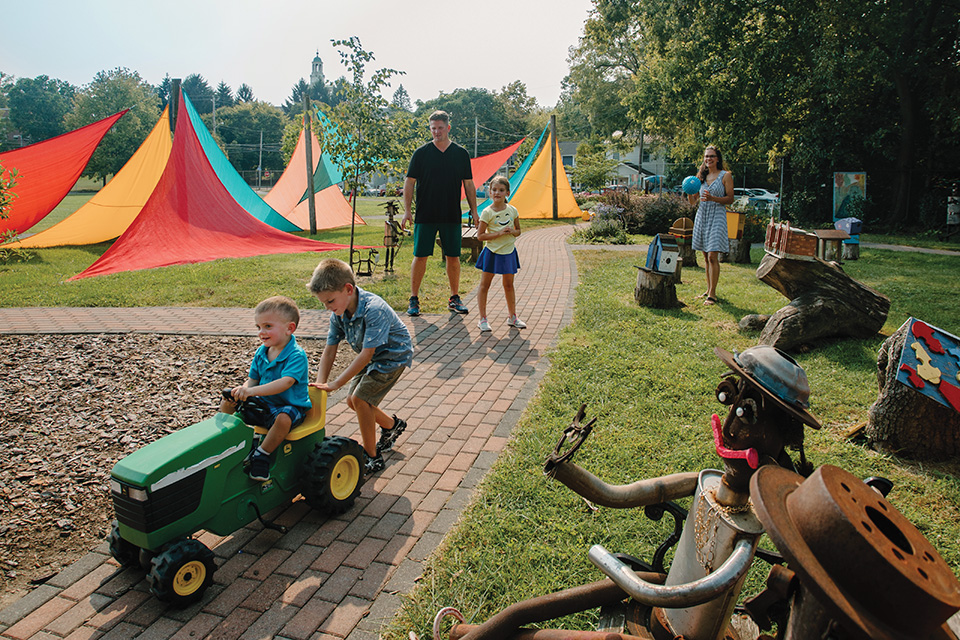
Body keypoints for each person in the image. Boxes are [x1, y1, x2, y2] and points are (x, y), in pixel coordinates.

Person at [308, 258, 414, 475]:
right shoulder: (339, 311)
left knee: (360, 399)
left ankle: (372, 457)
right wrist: (321, 383)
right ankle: (392, 426)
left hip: (393, 357)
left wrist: (336, 382)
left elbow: (366, 355)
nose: (327, 308)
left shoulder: (374, 309)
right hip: (375, 357)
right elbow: (330, 350)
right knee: (352, 401)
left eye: (330, 301)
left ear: (348, 289)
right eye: (324, 303)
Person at [219, 296, 311, 482]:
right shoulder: (262, 352)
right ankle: (225, 441)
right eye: (258, 327)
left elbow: (285, 383)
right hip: (265, 405)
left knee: (284, 417)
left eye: (268, 326)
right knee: (228, 401)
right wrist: (242, 391)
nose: (262, 332)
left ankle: (262, 454)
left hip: (289, 406)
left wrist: (252, 391)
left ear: (289, 328)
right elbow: (252, 380)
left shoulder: (296, 355)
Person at [402, 110, 479, 317]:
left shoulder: (460, 153)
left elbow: (469, 184)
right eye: (433, 128)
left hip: (451, 214)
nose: (436, 132)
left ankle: (454, 298)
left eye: (440, 128)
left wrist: (474, 210)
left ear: (448, 128)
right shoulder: (421, 153)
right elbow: (409, 182)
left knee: (453, 257)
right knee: (420, 256)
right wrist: (407, 211)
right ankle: (414, 299)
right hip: (425, 214)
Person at [475, 176, 525, 332]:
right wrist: (498, 234)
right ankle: (482, 319)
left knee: (509, 285)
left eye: (501, 190)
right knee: (485, 285)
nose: (497, 193)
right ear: (490, 192)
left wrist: (512, 231)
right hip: (492, 252)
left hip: (508, 252)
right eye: (494, 190)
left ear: (507, 192)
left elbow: (518, 231)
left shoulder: (513, 210)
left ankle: (512, 317)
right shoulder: (487, 212)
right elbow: (480, 236)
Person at [687, 145, 734, 306]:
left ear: (718, 158)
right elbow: (693, 202)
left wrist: (713, 198)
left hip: (717, 217)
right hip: (702, 216)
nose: (709, 159)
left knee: (713, 256)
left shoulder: (725, 176)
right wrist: (688, 190)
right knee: (706, 257)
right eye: (706, 156)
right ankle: (708, 289)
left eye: (712, 156)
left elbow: (730, 199)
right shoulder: (700, 177)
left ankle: (712, 295)